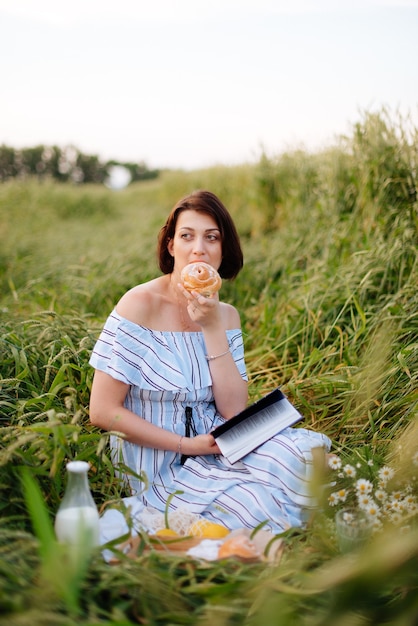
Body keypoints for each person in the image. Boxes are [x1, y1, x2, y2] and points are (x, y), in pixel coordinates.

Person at [89, 190, 331, 538]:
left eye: (211, 237)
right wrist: (187, 445)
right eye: (187, 236)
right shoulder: (139, 304)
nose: (198, 248)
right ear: (171, 246)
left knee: (305, 454)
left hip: (216, 440)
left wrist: (213, 326)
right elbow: (102, 411)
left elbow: (233, 409)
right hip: (157, 458)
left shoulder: (226, 315)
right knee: (248, 502)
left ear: (222, 250)